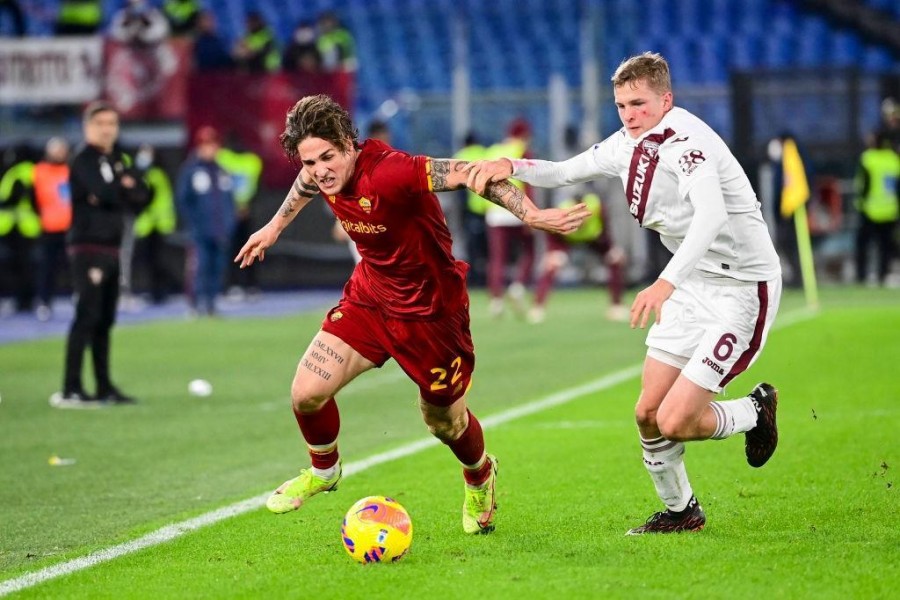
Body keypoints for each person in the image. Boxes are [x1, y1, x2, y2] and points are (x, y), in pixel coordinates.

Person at [234, 94, 588, 533]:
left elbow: (470, 175)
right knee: (306, 392)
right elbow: (305, 185)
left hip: (433, 313)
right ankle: (324, 472)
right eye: (309, 161)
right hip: (371, 298)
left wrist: (531, 214)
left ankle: (480, 475)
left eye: (327, 156)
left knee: (444, 422)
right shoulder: (319, 174)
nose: (320, 169)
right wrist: (272, 228)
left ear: (349, 143)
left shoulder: (391, 171)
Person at [466, 52, 783, 534]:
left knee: (676, 420)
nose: (629, 114)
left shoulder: (688, 143)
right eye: (621, 105)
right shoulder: (626, 142)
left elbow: (712, 215)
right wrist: (510, 163)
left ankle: (754, 410)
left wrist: (664, 282)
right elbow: (564, 171)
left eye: (639, 103)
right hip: (691, 282)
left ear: (666, 100)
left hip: (740, 288)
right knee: (647, 414)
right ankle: (682, 512)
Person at [53, 101, 150, 408]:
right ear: (88, 128)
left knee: (105, 319)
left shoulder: (117, 160)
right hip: (88, 247)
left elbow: (143, 195)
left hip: (111, 246)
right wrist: (121, 189)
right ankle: (70, 388)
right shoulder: (82, 159)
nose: (107, 129)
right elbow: (108, 192)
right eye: (101, 124)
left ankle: (104, 386)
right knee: (86, 315)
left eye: (112, 123)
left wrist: (120, 190)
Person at [529, 183, 628, 324]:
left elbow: (606, 226)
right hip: (567, 239)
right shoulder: (564, 209)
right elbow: (553, 231)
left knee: (615, 259)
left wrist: (611, 248)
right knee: (552, 264)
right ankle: (537, 307)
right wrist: (552, 252)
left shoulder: (595, 205)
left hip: (593, 238)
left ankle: (616, 306)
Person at [177, 126, 236, 316]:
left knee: (216, 267)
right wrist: (194, 224)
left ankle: (211, 304)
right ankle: (195, 304)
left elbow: (228, 202)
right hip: (200, 231)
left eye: (213, 145)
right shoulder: (191, 171)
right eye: (206, 145)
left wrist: (228, 224)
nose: (210, 149)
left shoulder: (222, 172)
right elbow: (183, 200)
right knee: (200, 267)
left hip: (220, 230)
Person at [484, 118, 536, 318]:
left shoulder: (493, 151)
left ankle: (496, 301)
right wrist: (531, 213)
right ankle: (518, 287)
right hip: (518, 208)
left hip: (495, 211)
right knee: (529, 252)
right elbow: (529, 183)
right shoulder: (522, 151)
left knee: (498, 258)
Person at [33, 137, 73, 321]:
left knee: (74, 267)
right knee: (47, 268)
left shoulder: (70, 171)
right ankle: (44, 302)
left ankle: (79, 299)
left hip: (70, 227)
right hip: (49, 227)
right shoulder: (39, 171)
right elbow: (33, 199)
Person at [133, 144, 177, 304]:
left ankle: (159, 292)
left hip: (157, 224)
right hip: (148, 225)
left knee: (158, 261)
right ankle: (154, 291)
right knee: (149, 262)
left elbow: (151, 198)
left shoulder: (156, 175)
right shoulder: (143, 174)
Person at [854, 130, 900, 286]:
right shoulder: (894, 159)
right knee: (885, 247)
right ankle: (882, 275)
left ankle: (861, 276)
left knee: (863, 245)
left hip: (870, 210)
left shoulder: (868, 158)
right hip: (890, 210)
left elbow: (863, 185)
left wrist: (860, 203)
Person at [0, 144, 41, 314]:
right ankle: (25, 300)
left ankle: (24, 301)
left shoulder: (21, 172)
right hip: (23, 225)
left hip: (21, 226)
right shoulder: (30, 170)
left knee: (22, 266)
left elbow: (15, 197)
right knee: (24, 265)